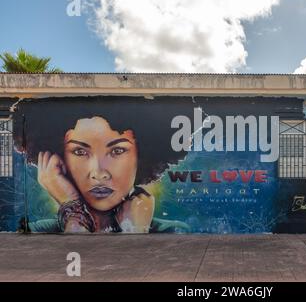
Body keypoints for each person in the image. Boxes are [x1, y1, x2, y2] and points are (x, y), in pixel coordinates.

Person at [13, 98, 189, 233]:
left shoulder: (175, 231)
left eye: (117, 151)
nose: (98, 173)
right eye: (80, 152)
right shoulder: (39, 231)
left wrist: (134, 230)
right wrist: (73, 213)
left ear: (141, 156)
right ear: (59, 158)